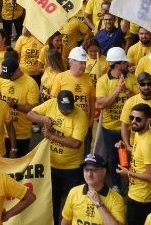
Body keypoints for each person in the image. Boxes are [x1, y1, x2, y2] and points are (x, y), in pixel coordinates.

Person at [27, 90, 89, 222]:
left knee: (72, 202)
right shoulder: (51, 104)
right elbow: (30, 114)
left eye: (69, 109)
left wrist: (51, 136)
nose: (66, 112)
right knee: (52, 200)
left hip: (72, 168)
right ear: (57, 103)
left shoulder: (81, 116)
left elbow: (76, 143)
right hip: (51, 165)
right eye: (63, 109)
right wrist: (44, 119)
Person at [96, 47, 137, 184]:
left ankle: (132, 183)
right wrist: (117, 90)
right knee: (113, 158)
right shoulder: (103, 81)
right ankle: (116, 184)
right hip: (110, 128)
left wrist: (126, 91)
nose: (128, 65)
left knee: (132, 158)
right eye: (125, 63)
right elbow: (101, 104)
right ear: (118, 64)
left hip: (130, 128)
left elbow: (139, 101)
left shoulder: (132, 79)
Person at [121, 103, 151, 225]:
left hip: (143, 198)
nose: (133, 122)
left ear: (148, 120)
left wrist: (128, 173)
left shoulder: (148, 143)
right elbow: (137, 153)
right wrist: (124, 148)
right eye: (131, 118)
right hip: (134, 192)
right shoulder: (138, 134)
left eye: (138, 119)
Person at [61, 153, 126, 225]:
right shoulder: (74, 192)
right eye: (86, 170)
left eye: (94, 170)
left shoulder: (116, 199)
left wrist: (99, 204)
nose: (89, 174)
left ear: (104, 172)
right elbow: (66, 221)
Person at [0, 58, 39, 157]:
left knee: (18, 164)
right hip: (3, 131)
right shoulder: (3, 78)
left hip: (21, 134)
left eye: (10, 75)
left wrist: (15, 105)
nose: (8, 78)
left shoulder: (31, 84)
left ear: (18, 70)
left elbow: (33, 109)